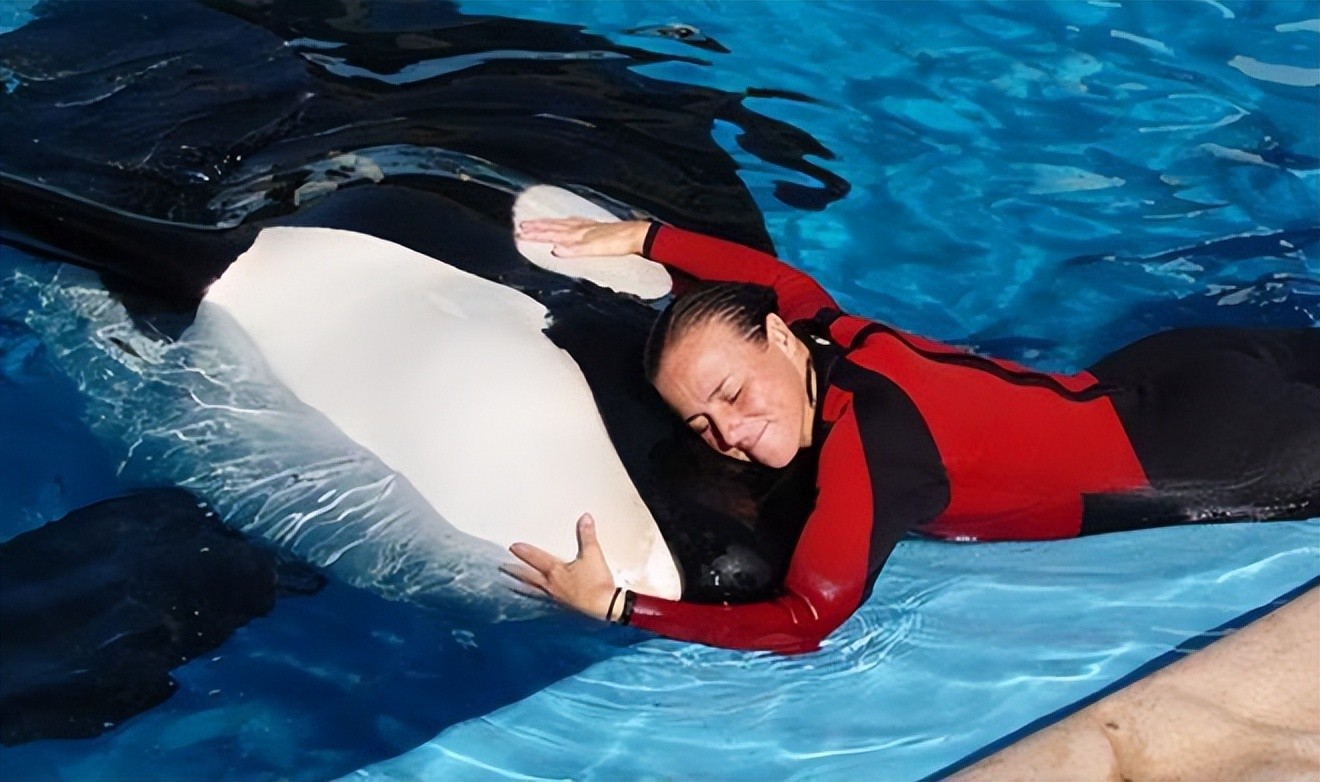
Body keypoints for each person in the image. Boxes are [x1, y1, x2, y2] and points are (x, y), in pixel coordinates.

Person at [505, 217, 1320, 654]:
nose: (731, 433)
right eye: (702, 425)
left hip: (1226, 455)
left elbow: (802, 621)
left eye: (733, 393)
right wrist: (648, 238)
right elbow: (779, 280)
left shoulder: (875, 446)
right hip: (1174, 369)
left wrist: (620, 606)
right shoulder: (833, 331)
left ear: (780, 341)